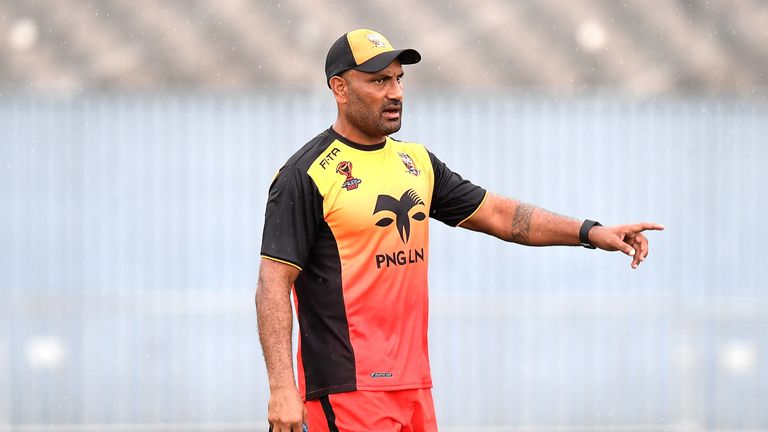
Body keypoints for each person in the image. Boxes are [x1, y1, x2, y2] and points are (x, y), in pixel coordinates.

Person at [255, 28, 664, 432]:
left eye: (398, 79)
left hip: (415, 386)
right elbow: (273, 284)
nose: (395, 92)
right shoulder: (305, 175)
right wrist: (281, 387)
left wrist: (590, 232)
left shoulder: (416, 163)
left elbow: (502, 216)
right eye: (379, 80)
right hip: (347, 390)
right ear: (340, 89)